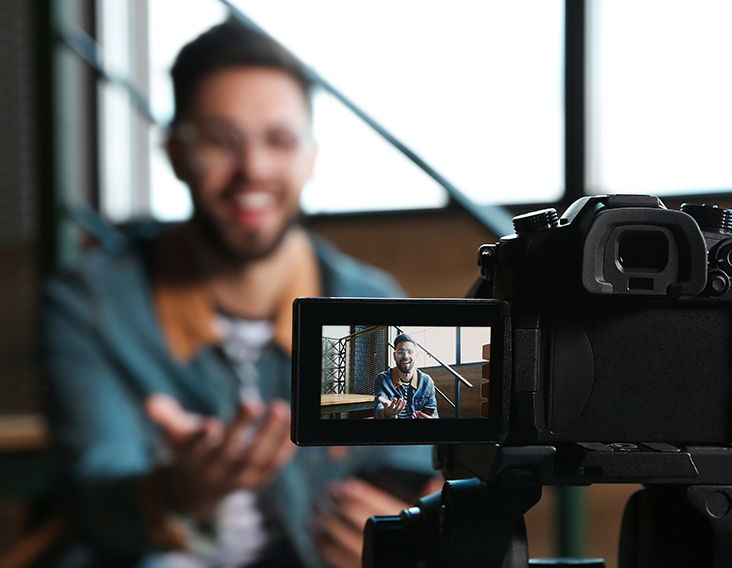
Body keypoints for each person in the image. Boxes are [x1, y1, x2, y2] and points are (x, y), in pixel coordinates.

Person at [38, 19, 438, 568]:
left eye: (279, 139)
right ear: (175, 154)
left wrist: (401, 537)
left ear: (310, 156)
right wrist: (181, 489)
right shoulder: (92, 302)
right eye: (221, 140)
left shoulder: (369, 306)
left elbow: (416, 468)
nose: (252, 168)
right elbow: (93, 496)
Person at [373, 334, 439, 419]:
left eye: (410, 352)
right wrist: (387, 413)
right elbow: (378, 410)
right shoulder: (382, 379)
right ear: (394, 356)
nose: (405, 356)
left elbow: (435, 414)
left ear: (416, 355)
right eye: (400, 352)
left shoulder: (427, 382)